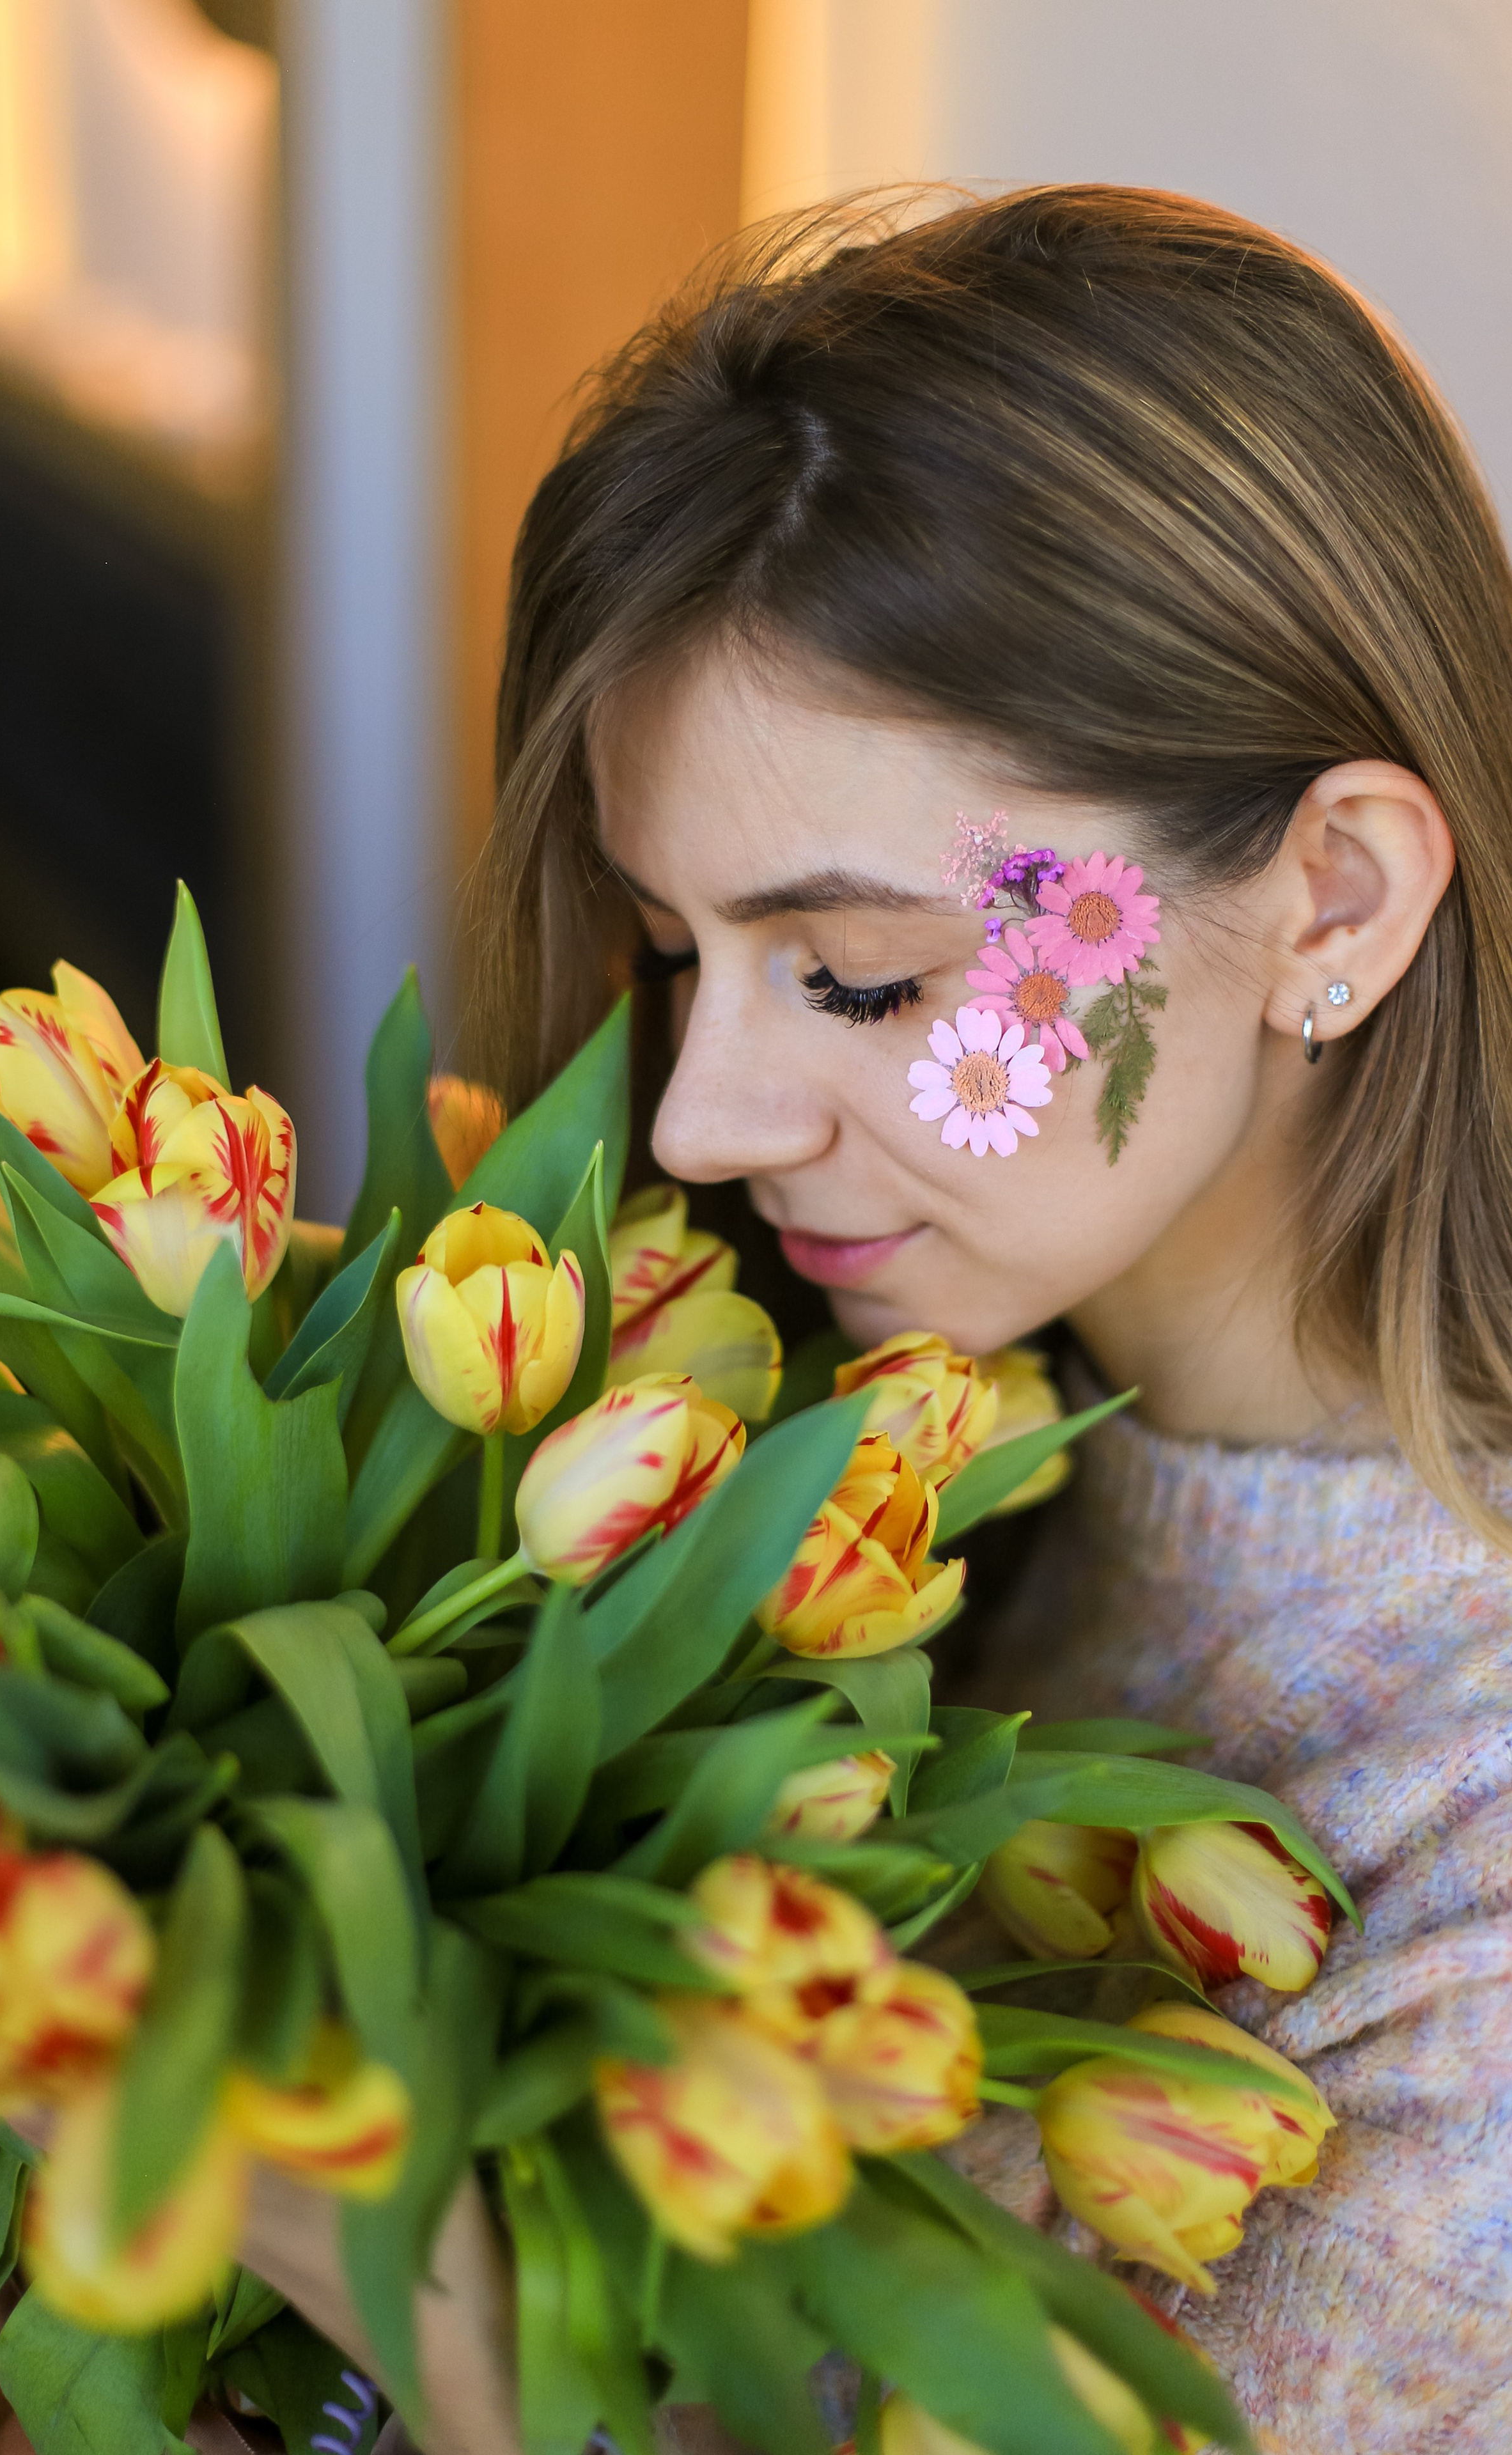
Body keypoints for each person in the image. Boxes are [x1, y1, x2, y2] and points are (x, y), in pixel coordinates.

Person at [447, 185, 1512, 2453]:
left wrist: (441, 2344)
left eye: (865, 973)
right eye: (668, 949)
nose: (707, 1114)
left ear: (1332, 897)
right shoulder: (806, 1448)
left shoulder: (1475, 1838)